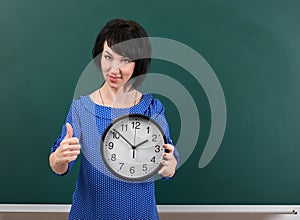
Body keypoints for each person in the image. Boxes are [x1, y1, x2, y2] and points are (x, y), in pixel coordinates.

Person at [49, 18, 179, 220]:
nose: (113, 69)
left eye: (125, 60)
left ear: (138, 64)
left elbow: (168, 162)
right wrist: (59, 158)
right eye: (108, 57)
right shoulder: (82, 108)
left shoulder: (153, 108)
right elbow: (59, 166)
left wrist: (170, 167)